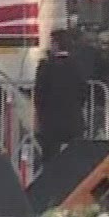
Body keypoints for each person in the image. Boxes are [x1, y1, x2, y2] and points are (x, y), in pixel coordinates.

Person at [33, 30, 88, 159]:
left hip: (51, 121)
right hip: (73, 120)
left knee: (50, 157)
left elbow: (39, 96)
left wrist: (39, 117)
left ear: (56, 44)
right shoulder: (77, 66)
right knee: (74, 157)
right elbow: (83, 92)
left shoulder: (46, 66)